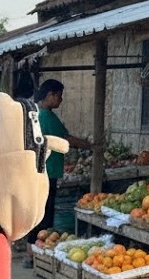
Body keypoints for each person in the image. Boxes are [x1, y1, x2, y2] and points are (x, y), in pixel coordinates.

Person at [23, 78, 95, 268]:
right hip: (48, 173)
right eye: (59, 96)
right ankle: (35, 255)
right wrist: (90, 145)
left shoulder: (34, 113)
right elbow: (67, 139)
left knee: (36, 213)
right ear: (50, 95)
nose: (61, 100)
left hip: (34, 171)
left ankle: (31, 252)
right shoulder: (47, 116)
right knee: (44, 215)